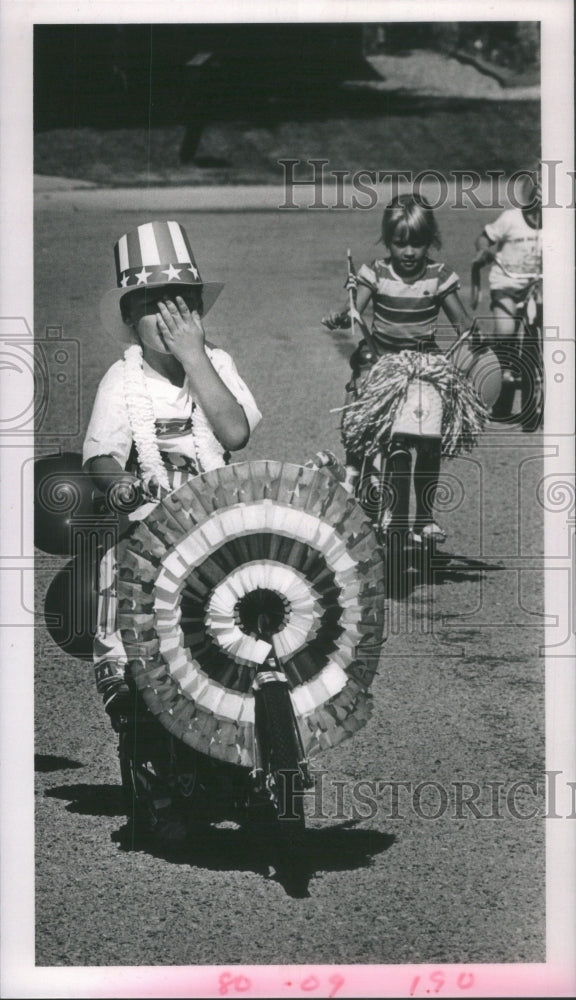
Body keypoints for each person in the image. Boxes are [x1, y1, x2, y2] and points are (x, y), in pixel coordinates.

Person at [83, 220, 262, 843]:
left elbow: (235, 434)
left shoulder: (216, 365)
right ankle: (154, 778)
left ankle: (242, 767)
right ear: (132, 320)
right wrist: (126, 486)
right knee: (141, 670)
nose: (170, 319)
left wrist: (195, 358)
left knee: (232, 656)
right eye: (154, 310)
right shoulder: (122, 380)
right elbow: (102, 457)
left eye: (181, 306)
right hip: (146, 546)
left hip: (213, 543)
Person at [322, 192, 478, 547]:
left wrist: (472, 333)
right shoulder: (374, 273)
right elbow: (353, 310)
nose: (409, 253)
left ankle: (423, 515)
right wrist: (339, 314)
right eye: (400, 243)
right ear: (387, 241)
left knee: (429, 440)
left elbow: (462, 322)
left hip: (425, 364)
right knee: (358, 409)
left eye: (418, 244)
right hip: (381, 359)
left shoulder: (439, 277)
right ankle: (353, 468)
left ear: (431, 242)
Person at [471, 167, 542, 418]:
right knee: (506, 329)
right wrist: (484, 252)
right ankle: (500, 366)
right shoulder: (511, 219)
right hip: (507, 287)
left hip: (539, 288)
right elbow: (485, 237)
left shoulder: (558, 226)